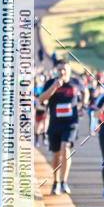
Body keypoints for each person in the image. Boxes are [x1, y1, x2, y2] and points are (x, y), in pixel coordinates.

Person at [39, 60, 83, 194]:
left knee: (65, 149)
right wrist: (54, 87)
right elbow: (41, 99)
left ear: (69, 70)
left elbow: (85, 93)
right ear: (56, 70)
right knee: (56, 153)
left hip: (71, 123)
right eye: (59, 70)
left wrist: (83, 106)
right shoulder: (50, 83)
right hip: (55, 123)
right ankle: (56, 181)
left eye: (65, 69)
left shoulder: (76, 83)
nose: (62, 72)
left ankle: (64, 181)